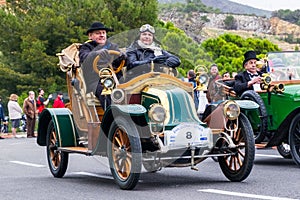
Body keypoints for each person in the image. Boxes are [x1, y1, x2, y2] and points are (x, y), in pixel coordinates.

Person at [79, 21, 125, 109]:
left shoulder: (112, 46)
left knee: (132, 91)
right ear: (90, 36)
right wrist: (96, 53)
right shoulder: (86, 47)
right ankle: (112, 118)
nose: (102, 35)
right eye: (98, 33)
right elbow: (84, 58)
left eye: (103, 33)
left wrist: (123, 56)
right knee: (105, 92)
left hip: (116, 79)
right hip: (96, 81)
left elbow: (125, 62)